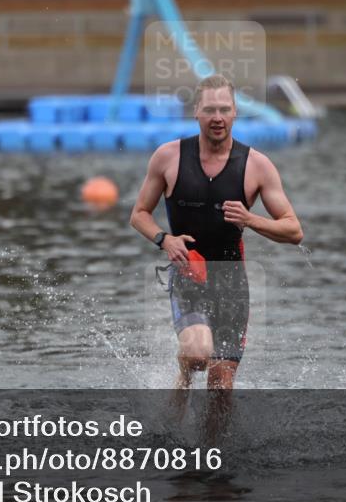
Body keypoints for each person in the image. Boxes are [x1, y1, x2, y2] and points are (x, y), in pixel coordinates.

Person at [130, 74, 303, 395]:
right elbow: (138, 214)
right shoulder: (168, 157)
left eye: (225, 109)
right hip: (188, 274)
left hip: (232, 283)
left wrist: (250, 219)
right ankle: (183, 374)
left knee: (221, 388)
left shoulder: (257, 166)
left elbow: (294, 230)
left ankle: (212, 448)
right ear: (196, 112)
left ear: (236, 112)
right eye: (210, 110)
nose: (218, 118)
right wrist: (164, 239)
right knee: (198, 356)